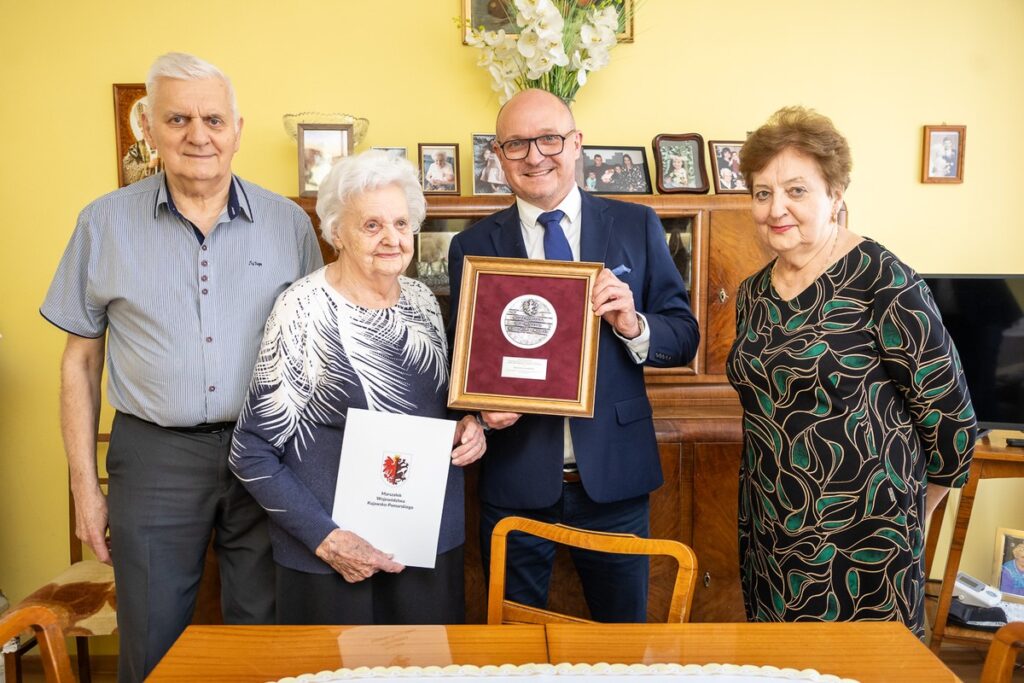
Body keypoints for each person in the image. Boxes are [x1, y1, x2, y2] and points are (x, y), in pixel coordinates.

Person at [40, 52, 324, 682]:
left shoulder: (288, 225)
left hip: (267, 452)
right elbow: (80, 362)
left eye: (214, 119)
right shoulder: (103, 224)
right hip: (154, 458)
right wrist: (85, 489)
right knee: (152, 641)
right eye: (179, 118)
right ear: (149, 128)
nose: (199, 135)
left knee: (265, 634)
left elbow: (317, 348)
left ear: (238, 129)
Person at [447, 88, 699, 622]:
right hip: (515, 480)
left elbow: (683, 336)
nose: (535, 156)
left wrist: (633, 324)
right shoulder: (471, 246)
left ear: (577, 143)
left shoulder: (636, 224)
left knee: (621, 643)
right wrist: (480, 411)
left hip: (614, 477)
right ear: (498, 155)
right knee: (512, 647)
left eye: (549, 139)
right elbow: (461, 358)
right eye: (517, 144)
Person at [727, 106, 976, 638]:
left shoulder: (882, 278)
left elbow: (952, 420)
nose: (777, 208)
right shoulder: (752, 292)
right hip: (772, 525)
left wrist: (910, 515)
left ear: (835, 195)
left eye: (796, 190)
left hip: (866, 534)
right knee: (781, 668)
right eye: (762, 192)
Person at [230, 150, 485, 625]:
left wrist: (469, 428)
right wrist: (326, 539)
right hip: (331, 559)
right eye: (371, 225)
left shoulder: (423, 301)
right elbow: (251, 450)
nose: (391, 238)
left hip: (424, 547)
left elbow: (436, 411)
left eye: (401, 223)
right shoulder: (302, 309)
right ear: (335, 233)